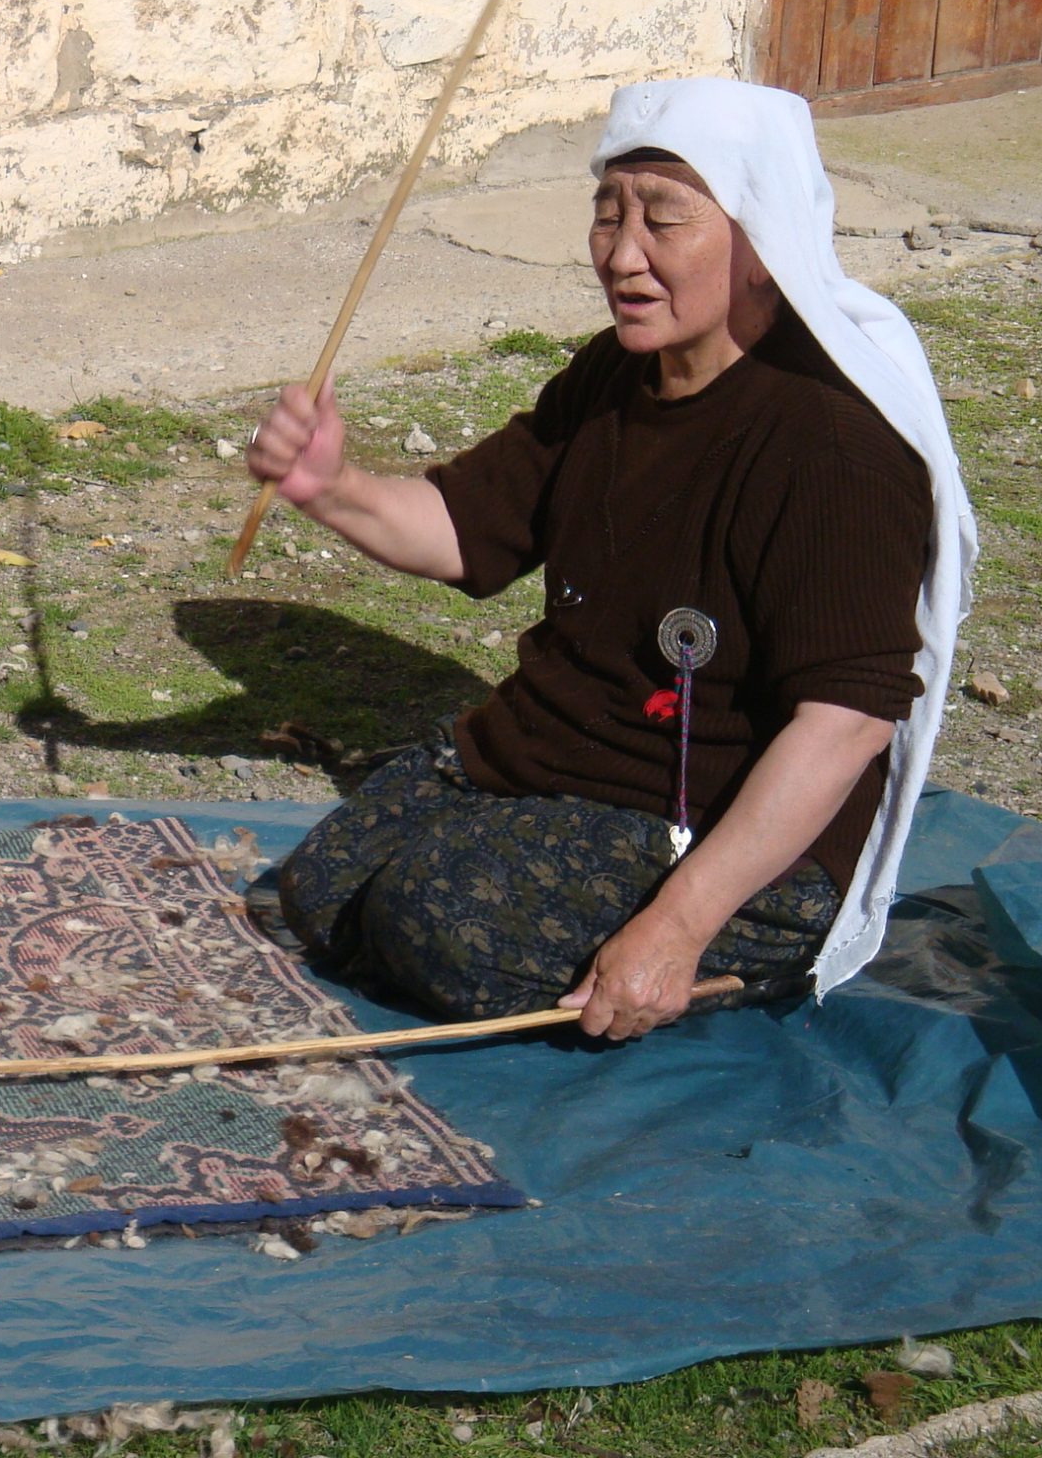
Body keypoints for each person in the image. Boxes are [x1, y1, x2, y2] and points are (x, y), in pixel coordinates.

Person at [242, 79, 974, 1041]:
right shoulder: (613, 374)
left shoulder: (833, 445)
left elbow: (846, 724)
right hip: (558, 761)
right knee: (324, 890)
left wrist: (677, 928)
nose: (623, 256)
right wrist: (331, 488)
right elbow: (466, 526)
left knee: (431, 924)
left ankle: (751, 956)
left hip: (711, 822)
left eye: (663, 221)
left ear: (764, 244)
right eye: (607, 216)